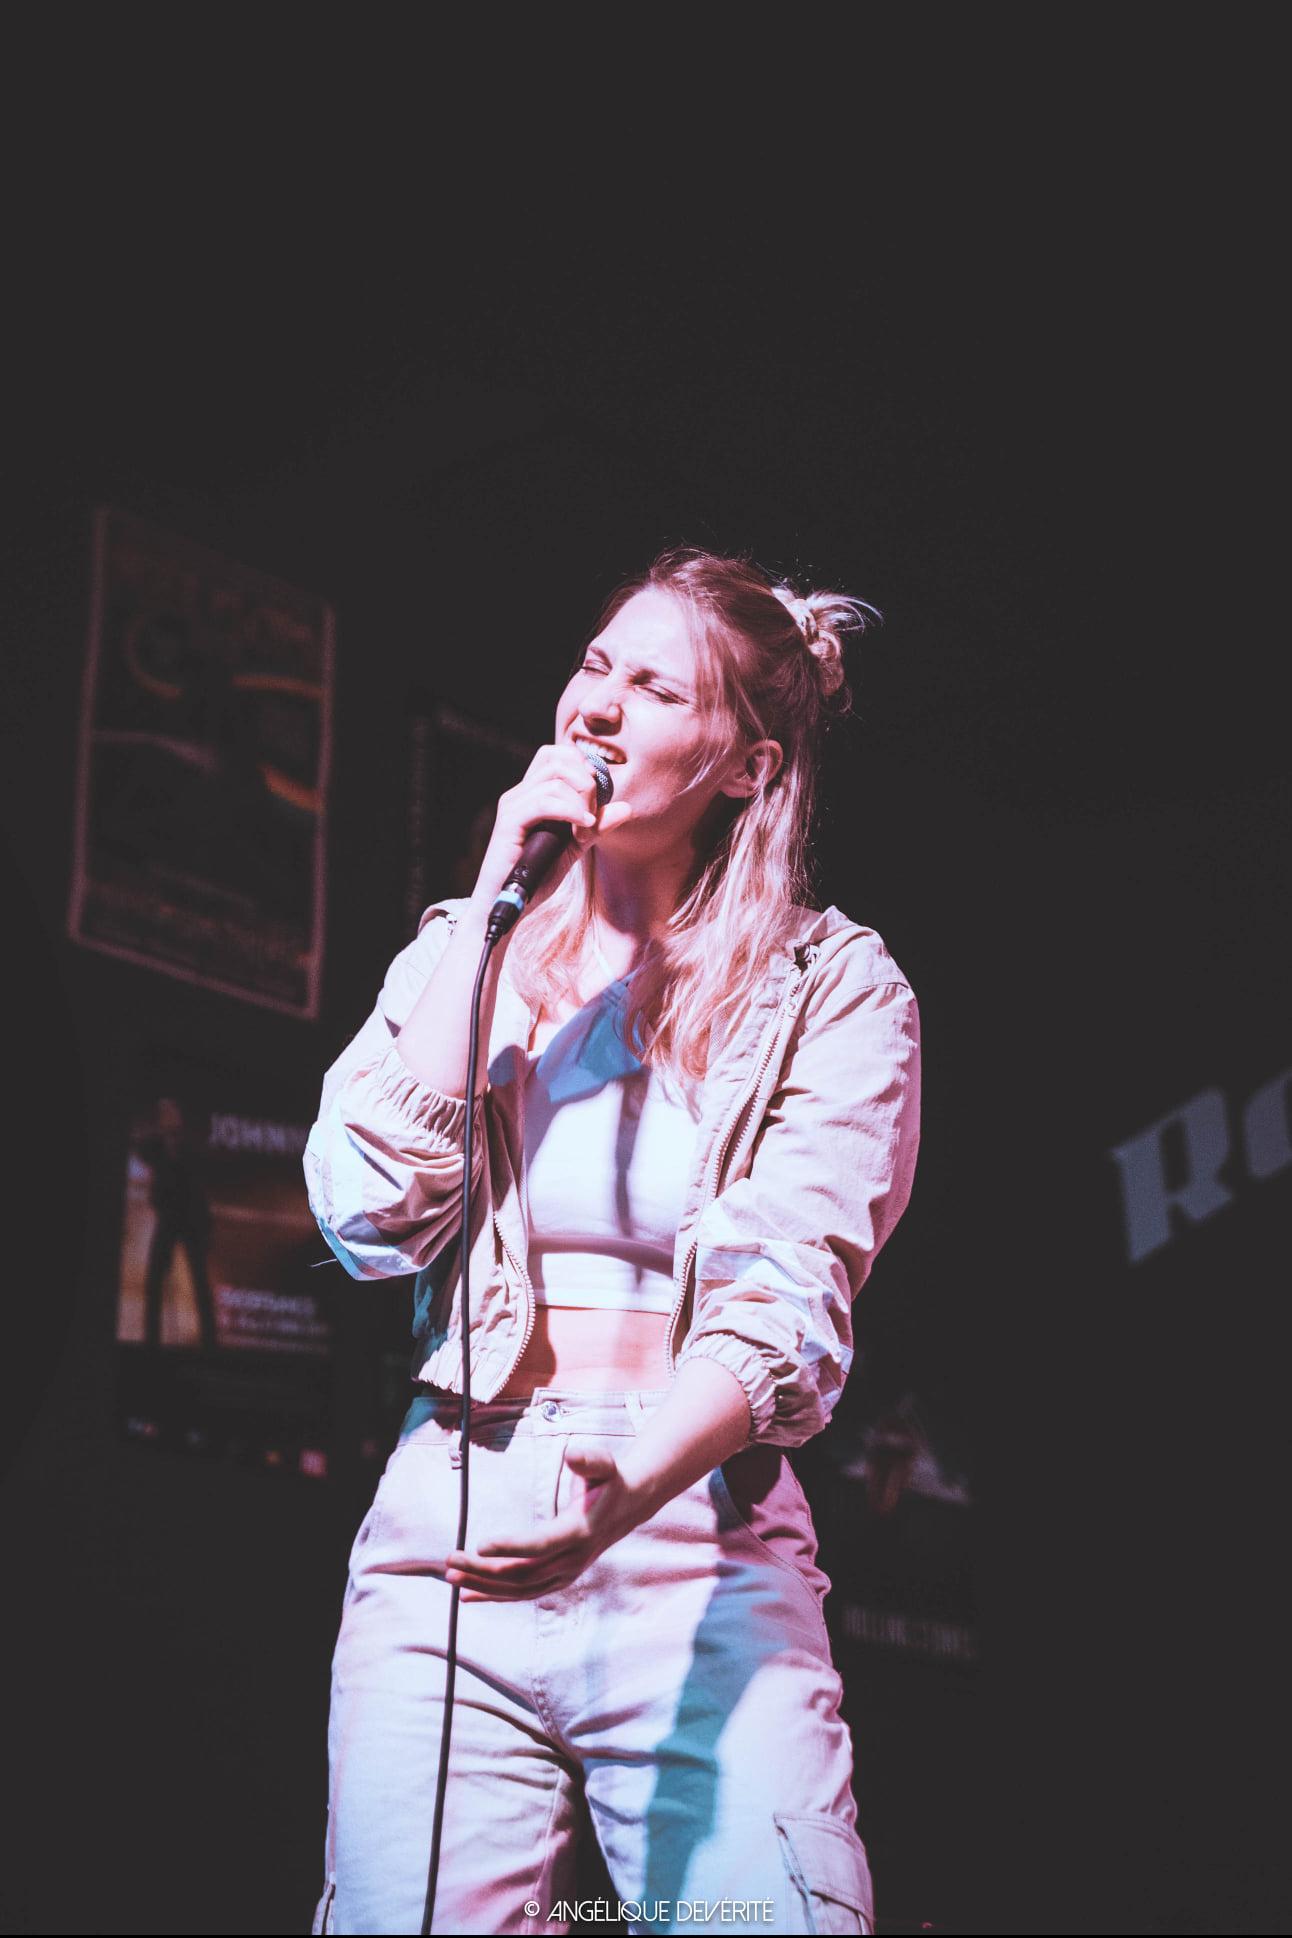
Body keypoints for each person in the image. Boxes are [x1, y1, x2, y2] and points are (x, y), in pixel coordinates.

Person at [304, 547, 922, 1936]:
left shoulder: (832, 988)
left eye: (656, 686)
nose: (598, 704)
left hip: (695, 1529)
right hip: (456, 1518)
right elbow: (365, 1210)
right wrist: (488, 911)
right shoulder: (470, 950)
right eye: (595, 667)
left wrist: (629, 1483)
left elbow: (787, 1302)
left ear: (748, 767)